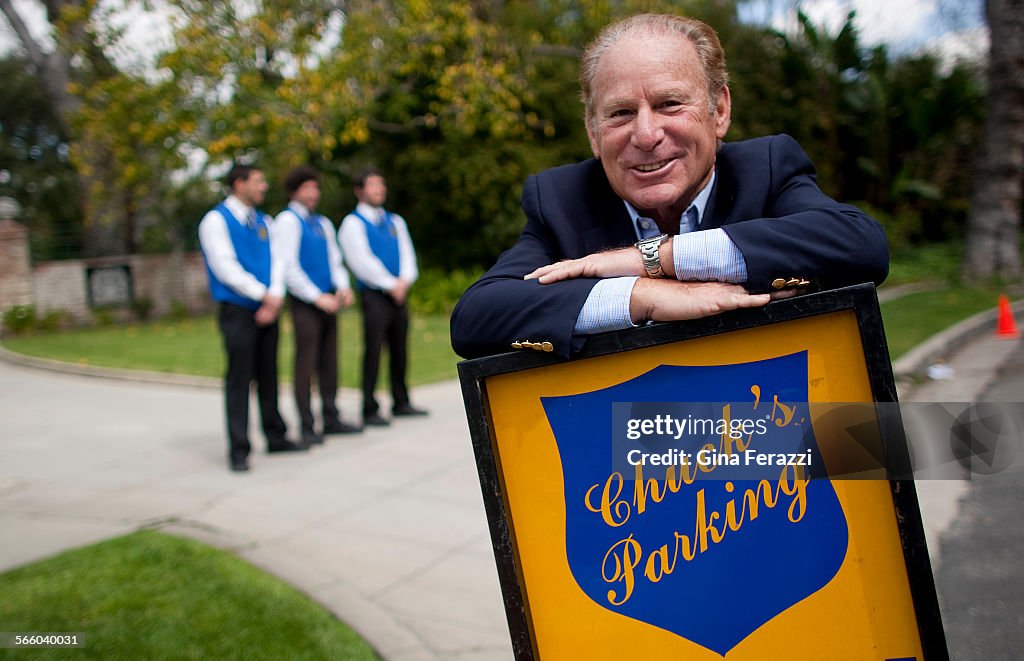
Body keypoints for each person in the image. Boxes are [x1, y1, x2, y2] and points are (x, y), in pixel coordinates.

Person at [450, 13, 889, 360]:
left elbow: (860, 243)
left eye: (670, 104)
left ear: (718, 111)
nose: (645, 134)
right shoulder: (561, 199)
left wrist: (653, 259)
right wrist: (642, 295)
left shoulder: (767, 168)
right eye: (620, 112)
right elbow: (477, 316)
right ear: (592, 132)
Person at [199, 163, 307, 472]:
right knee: (239, 379)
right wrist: (263, 295)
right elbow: (224, 266)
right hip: (238, 310)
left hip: (268, 306)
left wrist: (273, 296)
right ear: (239, 183)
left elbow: (277, 260)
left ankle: (276, 435)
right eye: (258, 182)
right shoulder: (215, 220)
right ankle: (239, 448)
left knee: (269, 374)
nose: (263, 187)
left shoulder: (265, 221)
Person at [275, 165, 362, 447]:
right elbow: (289, 267)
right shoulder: (287, 221)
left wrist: (343, 287)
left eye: (315, 188)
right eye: (307, 188)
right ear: (294, 191)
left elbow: (334, 259)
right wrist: (316, 297)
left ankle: (331, 417)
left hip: (329, 301)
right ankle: (307, 425)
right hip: (306, 304)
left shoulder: (322, 223)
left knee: (329, 361)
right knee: (306, 364)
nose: (313, 194)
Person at [338, 167, 428, 427]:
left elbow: (407, 254)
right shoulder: (352, 223)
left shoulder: (395, 221)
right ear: (359, 190)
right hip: (375, 296)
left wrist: (404, 281)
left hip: (399, 294)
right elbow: (361, 261)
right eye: (373, 185)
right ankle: (369, 407)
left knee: (400, 349)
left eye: (381, 184)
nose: (379, 189)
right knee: (374, 350)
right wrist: (390, 284)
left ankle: (401, 401)